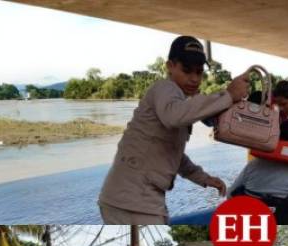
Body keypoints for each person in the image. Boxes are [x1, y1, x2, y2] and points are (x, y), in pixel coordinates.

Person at [99, 35, 250, 224]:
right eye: (187, 71)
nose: (194, 79)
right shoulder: (165, 89)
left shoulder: (179, 103)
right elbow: (175, 116)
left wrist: (205, 178)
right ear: (170, 66)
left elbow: (174, 156)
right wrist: (228, 95)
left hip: (134, 198)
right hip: (132, 199)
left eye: (199, 72)